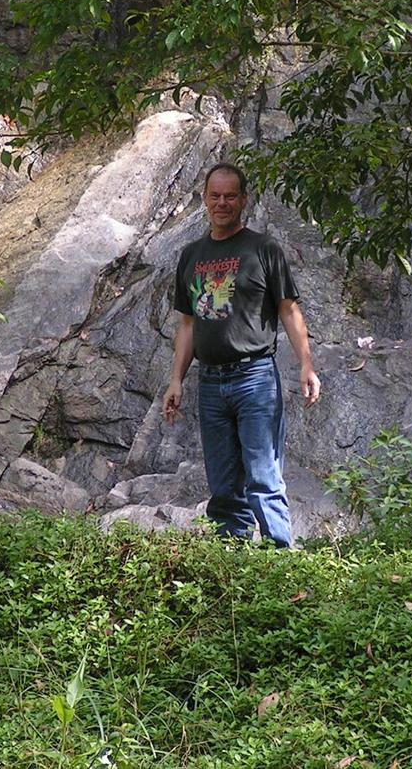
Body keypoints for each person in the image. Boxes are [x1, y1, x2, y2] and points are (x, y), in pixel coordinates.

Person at [162, 162, 320, 548]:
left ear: (243, 200)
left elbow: (288, 309)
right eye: (215, 195)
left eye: (230, 196)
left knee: (264, 475)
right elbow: (187, 324)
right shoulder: (191, 255)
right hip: (210, 382)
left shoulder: (262, 249)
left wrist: (306, 365)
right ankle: (233, 566)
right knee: (222, 485)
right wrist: (176, 379)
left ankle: (280, 562)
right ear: (204, 198)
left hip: (255, 378)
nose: (222, 203)